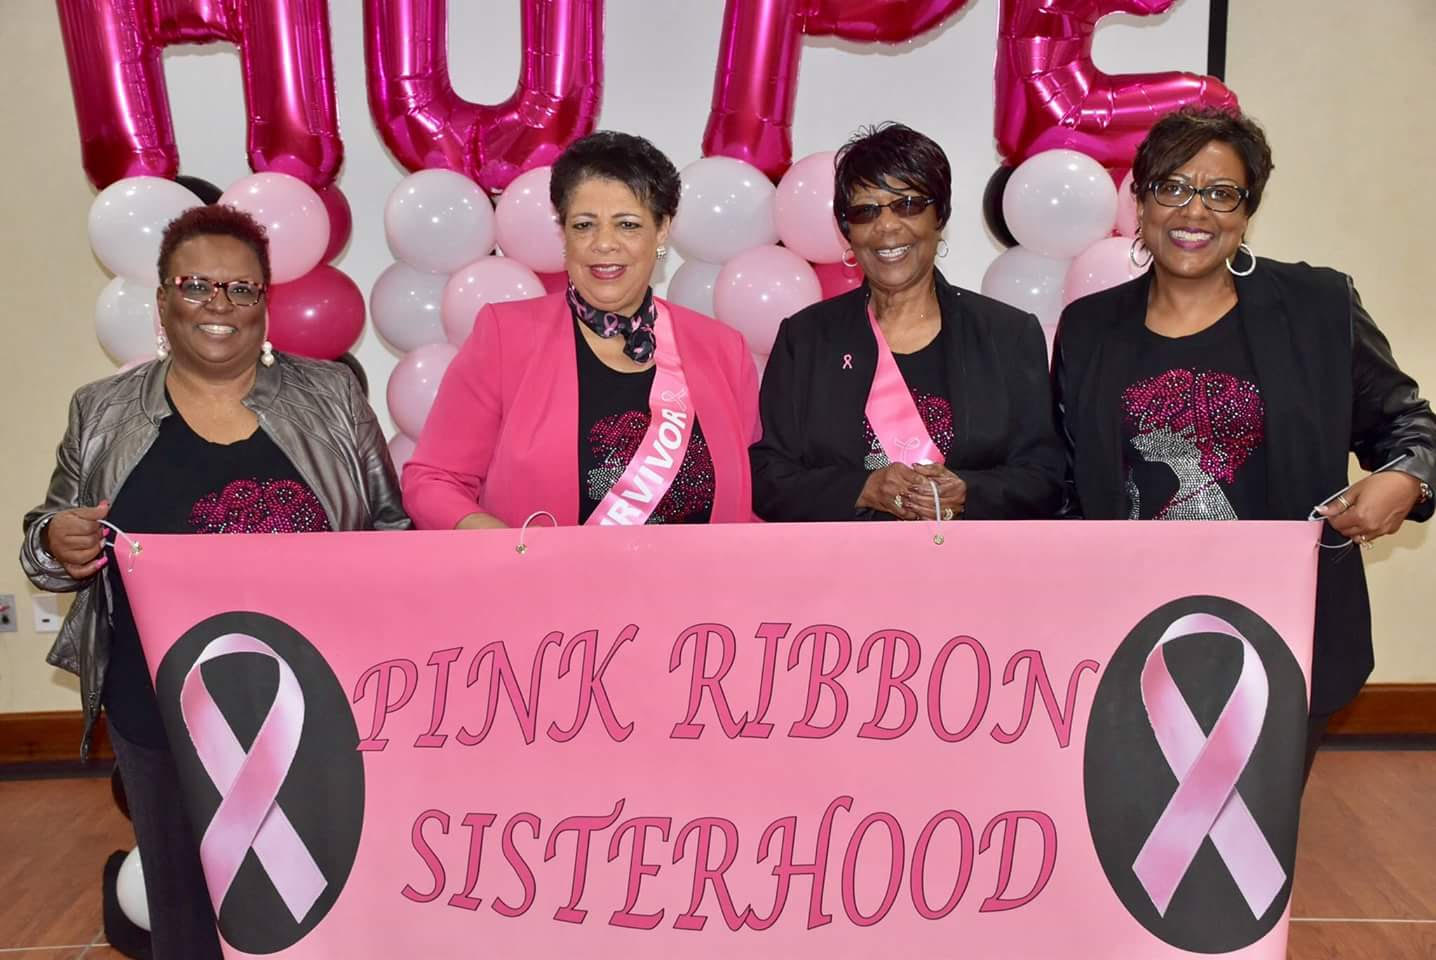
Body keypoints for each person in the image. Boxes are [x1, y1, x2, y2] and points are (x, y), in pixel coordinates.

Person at [19, 205, 408, 958]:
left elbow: (392, 532)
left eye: (241, 288)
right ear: (163, 299)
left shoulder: (332, 397)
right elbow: (47, 538)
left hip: (318, 706)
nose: (218, 305)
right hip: (160, 710)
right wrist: (56, 541)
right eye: (196, 285)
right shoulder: (101, 411)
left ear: (266, 301)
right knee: (187, 909)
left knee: (322, 907)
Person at [1052, 106, 1436, 773]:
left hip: (1283, 630)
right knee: (1136, 822)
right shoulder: (1088, 327)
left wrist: (1407, 478)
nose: (1194, 210)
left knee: (1251, 830)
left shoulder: (1317, 308)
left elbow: (1408, 426)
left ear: (1247, 209)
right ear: (1140, 199)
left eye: (1221, 192)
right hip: (1129, 631)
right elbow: (1064, 478)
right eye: (1172, 187)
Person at [403, 131, 759, 528]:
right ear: (564, 232)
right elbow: (433, 481)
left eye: (627, 225)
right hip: (549, 571)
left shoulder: (723, 350)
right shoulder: (506, 336)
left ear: (662, 230)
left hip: (699, 571)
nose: (604, 244)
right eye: (584, 225)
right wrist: (508, 547)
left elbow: (753, 502)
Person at [751, 123, 1063, 522]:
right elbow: (768, 477)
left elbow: (1046, 477)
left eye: (908, 204)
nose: (886, 227)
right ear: (847, 230)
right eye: (865, 211)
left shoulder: (1008, 335)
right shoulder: (806, 339)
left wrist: (969, 492)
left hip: (973, 560)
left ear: (940, 216)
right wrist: (862, 489)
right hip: (844, 560)